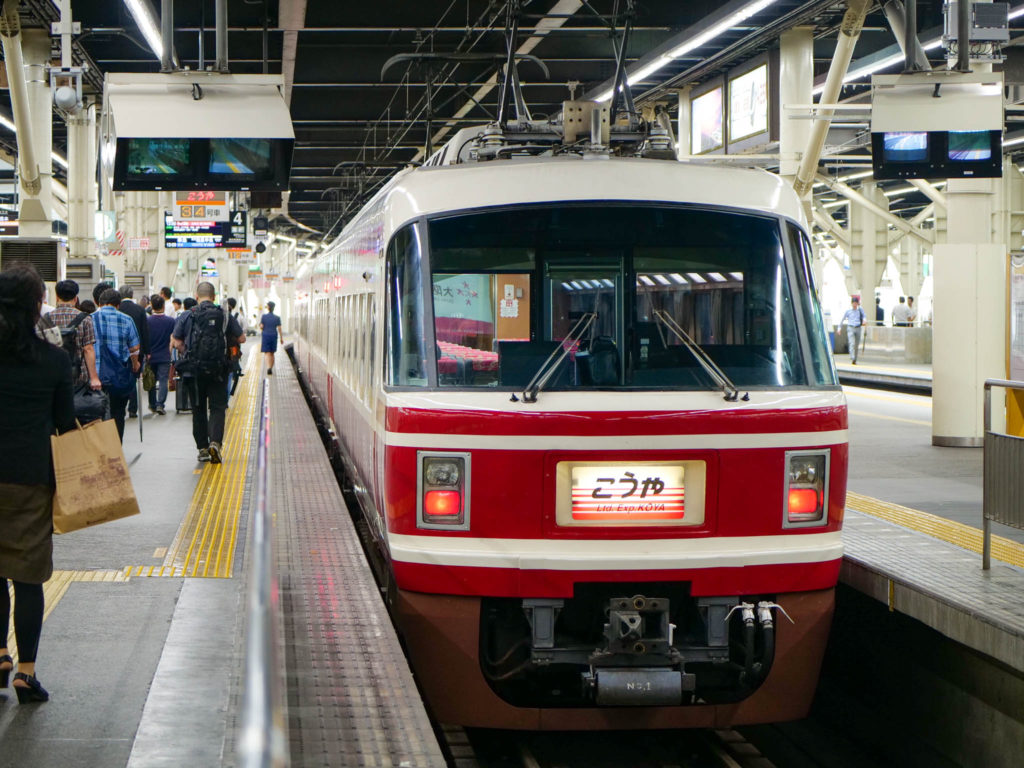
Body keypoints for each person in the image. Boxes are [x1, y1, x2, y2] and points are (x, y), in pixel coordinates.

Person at [0, 264, 75, 704]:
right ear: (35, 307)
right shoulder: (53, 359)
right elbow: (66, 423)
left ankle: (0, 654)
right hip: (31, 478)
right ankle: (26, 672)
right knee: (28, 579)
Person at [172, 282, 244, 463]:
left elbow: (176, 340)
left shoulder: (187, 315)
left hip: (193, 371)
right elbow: (242, 337)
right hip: (219, 370)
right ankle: (215, 443)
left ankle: (203, 448)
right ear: (214, 296)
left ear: (196, 296)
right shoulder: (224, 315)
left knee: (198, 409)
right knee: (218, 408)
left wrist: (186, 351)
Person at [92, 288, 141, 441]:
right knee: (118, 412)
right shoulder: (126, 319)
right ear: (118, 305)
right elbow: (134, 348)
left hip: (96, 375)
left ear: (99, 303)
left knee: (96, 413)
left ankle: (101, 447)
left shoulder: (89, 319)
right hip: (118, 375)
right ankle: (116, 446)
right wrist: (135, 364)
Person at [47, 279, 102, 394]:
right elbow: (88, 349)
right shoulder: (85, 319)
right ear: (75, 298)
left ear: (57, 297)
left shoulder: (46, 319)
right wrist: (94, 378)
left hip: (51, 374)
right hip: (78, 376)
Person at [118, 285, 151, 419]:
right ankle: (133, 408)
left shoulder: (118, 309)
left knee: (121, 376)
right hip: (138, 350)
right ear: (132, 295)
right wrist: (147, 351)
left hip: (120, 350)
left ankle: (122, 404)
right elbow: (145, 331)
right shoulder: (140, 310)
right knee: (134, 378)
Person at [146, 294, 176, 415]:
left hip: (150, 355)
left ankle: (152, 404)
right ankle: (160, 404)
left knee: (151, 380)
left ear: (151, 306)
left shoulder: (147, 321)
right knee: (163, 380)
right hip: (164, 355)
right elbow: (173, 337)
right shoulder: (170, 321)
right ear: (163, 306)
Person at [259, 301, 283, 375]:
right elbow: (279, 328)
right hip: (273, 335)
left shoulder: (264, 317)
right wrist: (281, 338)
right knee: (272, 353)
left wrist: (261, 328)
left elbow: (261, 326)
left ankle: (268, 367)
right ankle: (271, 367)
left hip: (266, 335)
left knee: (267, 353)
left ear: (268, 307)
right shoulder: (277, 318)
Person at [841, 297, 866, 365]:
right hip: (850, 328)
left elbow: (864, 316)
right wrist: (839, 328)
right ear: (851, 303)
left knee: (856, 345)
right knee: (851, 343)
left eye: (856, 303)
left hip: (858, 327)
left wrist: (864, 320)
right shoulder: (848, 311)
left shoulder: (860, 310)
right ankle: (852, 357)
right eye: (853, 303)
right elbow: (842, 319)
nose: (854, 304)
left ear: (858, 303)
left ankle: (855, 358)